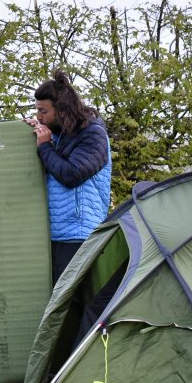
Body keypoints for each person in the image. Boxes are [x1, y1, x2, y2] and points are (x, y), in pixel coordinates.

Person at [26, 69, 112, 283]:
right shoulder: (60, 135)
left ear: (62, 109)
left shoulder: (92, 133)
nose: (39, 116)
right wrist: (31, 136)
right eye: (37, 110)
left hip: (79, 233)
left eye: (43, 111)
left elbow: (72, 175)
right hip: (56, 232)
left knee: (71, 303)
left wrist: (45, 146)